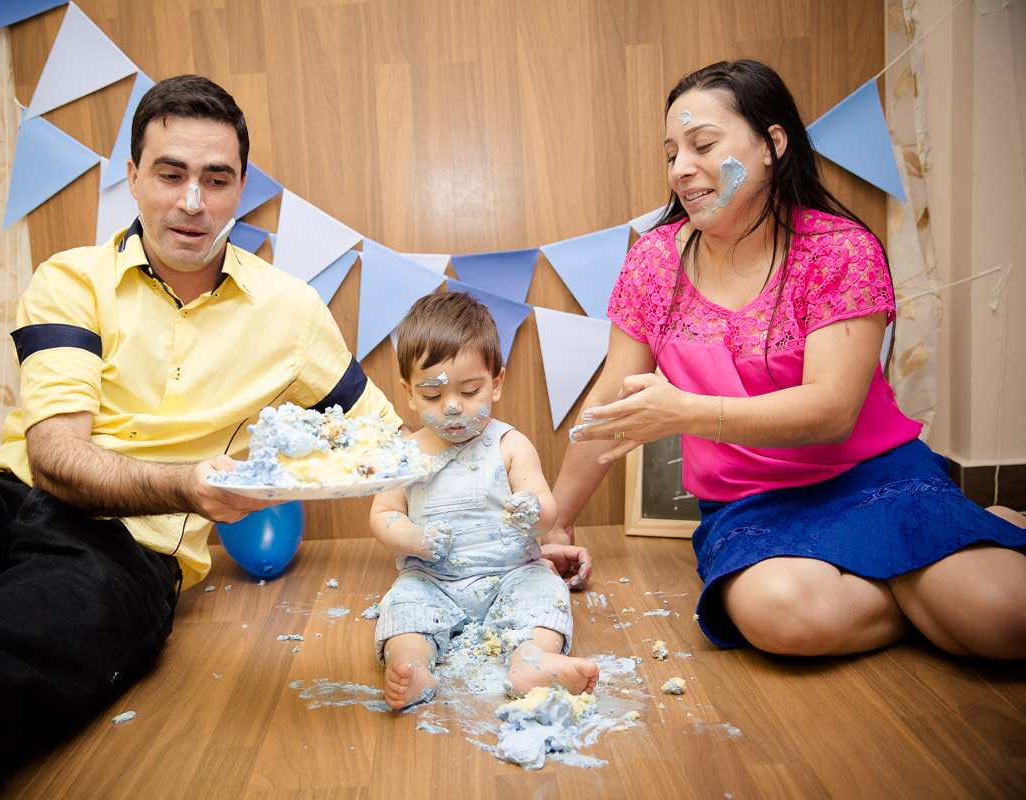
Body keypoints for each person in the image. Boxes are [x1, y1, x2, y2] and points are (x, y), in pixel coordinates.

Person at [0, 74, 399, 795]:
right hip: (4, 500)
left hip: (131, 554)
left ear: (242, 188)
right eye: (171, 174)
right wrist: (189, 482)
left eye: (215, 179)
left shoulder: (292, 312)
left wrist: (517, 513)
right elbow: (56, 458)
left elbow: (393, 440)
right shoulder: (73, 278)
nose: (192, 202)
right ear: (132, 177)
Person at [553, 59, 1026, 659]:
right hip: (751, 504)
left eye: (702, 145)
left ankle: (946, 555)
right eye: (671, 152)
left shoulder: (841, 250)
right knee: (781, 616)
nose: (681, 169)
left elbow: (831, 413)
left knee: (1006, 620)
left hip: (877, 478)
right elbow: (608, 404)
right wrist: (554, 522)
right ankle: (932, 574)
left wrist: (684, 412)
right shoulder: (652, 262)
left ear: (773, 143)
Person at [369, 292, 600, 710]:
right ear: (408, 393)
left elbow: (548, 512)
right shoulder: (401, 453)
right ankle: (412, 664)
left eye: (470, 390)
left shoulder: (510, 445)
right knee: (402, 607)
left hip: (510, 573)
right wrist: (414, 537)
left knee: (544, 590)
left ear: (495, 383)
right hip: (432, 580)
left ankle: (531, 658)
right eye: (432, 397)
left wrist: (532, 511)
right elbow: (383, 515)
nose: (453, 407)